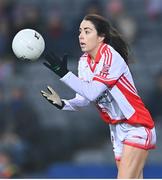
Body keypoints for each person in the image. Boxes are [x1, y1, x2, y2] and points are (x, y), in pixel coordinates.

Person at [41, 14, 156, 179]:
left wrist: (64, 74)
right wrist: (63, 103)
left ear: (101, 36)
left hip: (136, 125)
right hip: (116, 130)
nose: (81, 36)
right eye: (80, 31)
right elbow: (84, 98)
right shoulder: (83, 62)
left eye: (87, 31)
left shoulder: (110, 56)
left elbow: (93, 91)